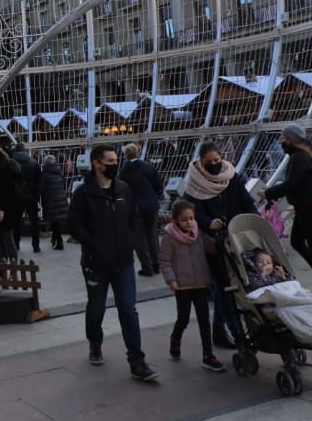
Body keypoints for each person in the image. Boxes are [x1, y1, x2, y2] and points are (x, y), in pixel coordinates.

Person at [67, 144, 158, 383]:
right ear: (97, 163)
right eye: (109, 161)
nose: (114, 164)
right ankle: (95, 343)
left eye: (115, 160)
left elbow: (134, 217)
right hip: (95, 262)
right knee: (96, 308)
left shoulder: (123, 189)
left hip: (123, 261)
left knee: (128, 309)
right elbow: (73, 224)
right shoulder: (83, 193)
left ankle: (137, 361)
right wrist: (94, 242)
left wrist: (128, 239)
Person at [183, 143, 257, 346]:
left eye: (217, 160)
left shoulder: (231, 176)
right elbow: (189, 212)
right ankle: (233, 333)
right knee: (225, 286)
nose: (215, 165)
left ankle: (220, 328)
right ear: (201, 163)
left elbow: (246, 201)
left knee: (231, 285)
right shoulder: (194, 183)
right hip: (213, 244)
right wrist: (208, 222)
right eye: (210, 162)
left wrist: (256, 221)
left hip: (236, 238)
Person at [263, 125, 312, 300]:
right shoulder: (300, 155)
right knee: (297, 241)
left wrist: (268, 193)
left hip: (311, 206)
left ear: (291, 139)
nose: (281, 140)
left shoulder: (299, 158)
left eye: (283, 137)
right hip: (308, 205)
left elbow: (292, 184)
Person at [159, 199, 224, 372]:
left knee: (204, 320)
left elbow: (211, 249)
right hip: (182, 286)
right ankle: (176, 338)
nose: (189, 222)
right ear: (175, 220)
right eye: (184, 219)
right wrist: (171, 280)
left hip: (201, 283)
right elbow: (165, 262)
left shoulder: (199, 234)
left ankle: (208, 355)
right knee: (184, 318)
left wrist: (218, 240)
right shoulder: (169, 238)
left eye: (191, 218)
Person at [118, 143, 164, 277]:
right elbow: (158, 185)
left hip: (136, 208)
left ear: (125, 155)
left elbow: (122, 189)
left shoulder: (125, 170)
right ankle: (157, 264)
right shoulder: (148, 166)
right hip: (152, 204)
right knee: (152, 235)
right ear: (138, 152)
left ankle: (147, 267)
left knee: (139, 239)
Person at [10, 143, 43, 253]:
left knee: (16, 222)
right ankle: (36, 245)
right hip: (31, 196)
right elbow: (39, 181)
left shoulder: (11, 164)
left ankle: (16, 244)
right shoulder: (34, 164)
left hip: (16, 198)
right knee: (35, 222)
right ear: (25, 151)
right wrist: (37, 195)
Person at [39, 153, 69, 251]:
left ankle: (59, 242)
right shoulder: (58, 172)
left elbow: (42, 189)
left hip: (50, 202)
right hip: (60, 201)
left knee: (55, 223)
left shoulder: (44, 175)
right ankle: (54, 239)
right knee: (56, 222)